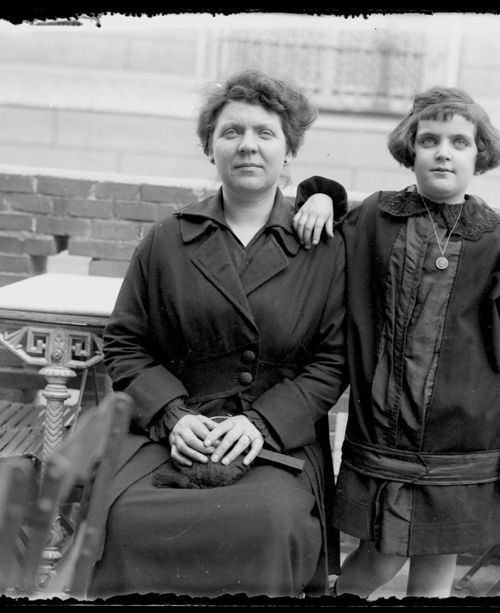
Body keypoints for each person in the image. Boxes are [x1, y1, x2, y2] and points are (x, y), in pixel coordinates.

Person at [82, 70, 347, 598]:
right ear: (210, 148)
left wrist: (261, 425)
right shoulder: (166, 240)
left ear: (289, 151)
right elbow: (125, 345)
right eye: (231, 132)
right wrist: (171, 416)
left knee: (269, 523)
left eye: (265, 133)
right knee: (129, 520)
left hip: (274, 441)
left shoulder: (324, 245)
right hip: (173, 434)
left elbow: (333, 361)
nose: (248, 145)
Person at [292, 86, 500, 598]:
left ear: (477, 156)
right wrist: (322, 194)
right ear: (409, 150)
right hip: (386, 432)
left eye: (459, 142)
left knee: (438, 560)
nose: (443, 151)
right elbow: (321, 243)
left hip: (464, 439)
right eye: (429, 140)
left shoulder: (495, 237)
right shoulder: (377, 217)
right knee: (381, 554)